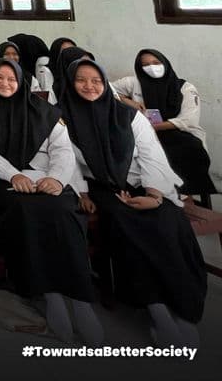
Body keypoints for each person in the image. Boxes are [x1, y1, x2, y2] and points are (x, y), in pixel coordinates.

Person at [59, 59, 206, 347]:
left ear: (105, 84)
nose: (89, 86)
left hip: (147, 182)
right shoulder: (63, 119)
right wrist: (82, 193)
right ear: (70, 83)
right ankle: (159, 313)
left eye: (96, 80)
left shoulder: (129, 116)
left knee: (168, 223)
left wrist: (154, 194)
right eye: (81, 80)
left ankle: (183, 311)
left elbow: (152, 155)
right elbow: (69, 162)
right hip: (103, 186)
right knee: (127, 226)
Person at [0, 59, 102, 344]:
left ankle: (80, 299)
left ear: (21, 81)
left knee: (64, 212)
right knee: (25, 212)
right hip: (6, 181)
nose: (5, 83)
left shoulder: (45, 112)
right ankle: (52, 296)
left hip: (49, 178)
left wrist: (56, 179)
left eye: (11, 79)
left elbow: (62, 151)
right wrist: (14, 174)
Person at [112, 49, 215, 206]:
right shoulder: (134, 83)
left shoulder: (185, 88)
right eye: (145, 65)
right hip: (147, 135)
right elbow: (106, 88)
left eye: (156, 63)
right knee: (136, 152)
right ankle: (154, 195)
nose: (151, 67)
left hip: (180, 134)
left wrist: (152, 127)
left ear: (165, 63)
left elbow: (188, 120)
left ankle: (181, 194)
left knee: (187, 150)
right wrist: (127, 101)